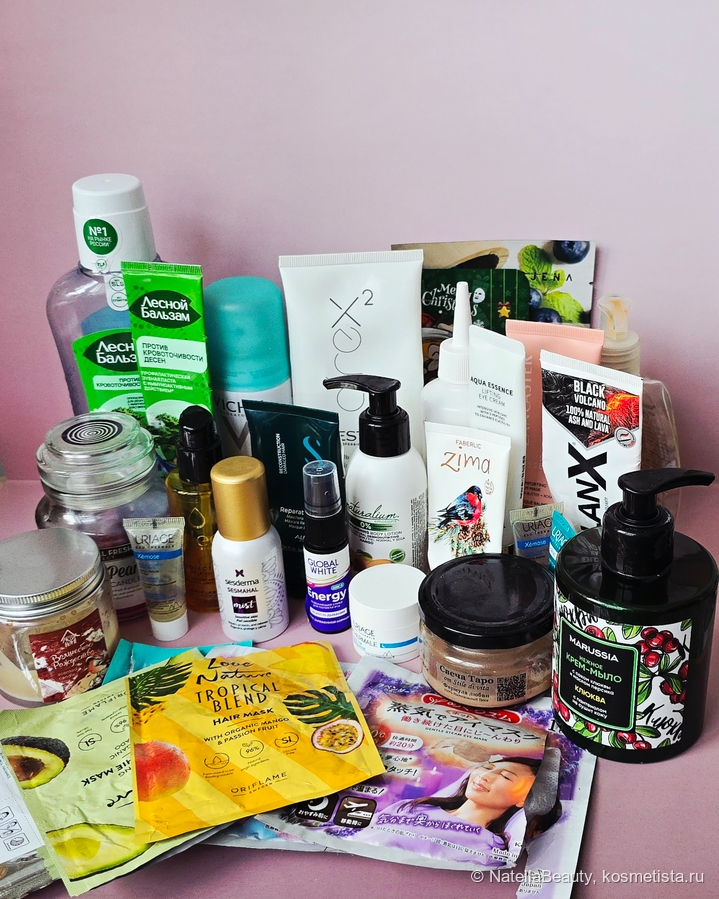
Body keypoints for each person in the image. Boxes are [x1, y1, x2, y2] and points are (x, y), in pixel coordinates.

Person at [355, 756, 559, 866]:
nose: (484, 776)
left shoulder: (488, 848)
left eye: (505, 776)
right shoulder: (413, 806)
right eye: (487, 768)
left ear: (524, 799)